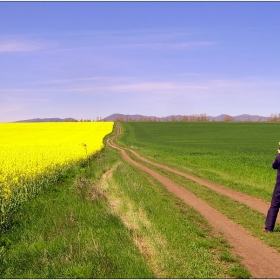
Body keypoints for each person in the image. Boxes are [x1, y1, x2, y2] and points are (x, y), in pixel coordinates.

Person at [263, 147, 280, 233]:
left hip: (279, 187)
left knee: (274, 206)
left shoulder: (279, 156)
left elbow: (274, 166)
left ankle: (269, 228)